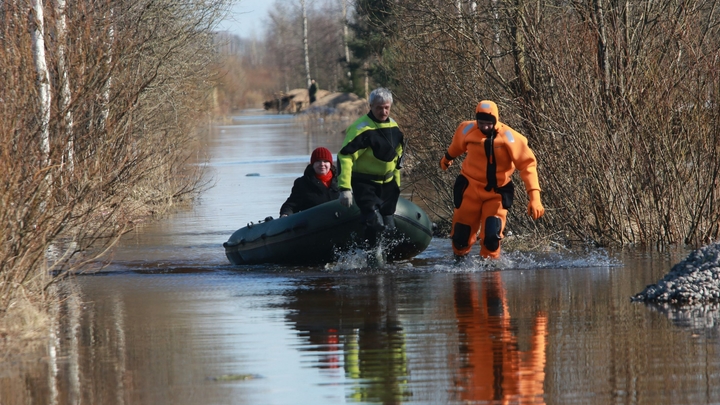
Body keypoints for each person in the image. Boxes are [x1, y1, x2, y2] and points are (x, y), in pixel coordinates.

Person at [439, 100, 545, 260]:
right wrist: (447, 159)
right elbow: (456, 145)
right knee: (461, 235)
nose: (484, 127)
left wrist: (535, 198)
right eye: (481, 123)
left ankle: (491, 269)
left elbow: (528, 166)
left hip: (497, 192)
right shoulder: (468, 129)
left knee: (492, 236)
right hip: (469, 188)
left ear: (495, 121)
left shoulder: (510, 138)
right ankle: (459, 263)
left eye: (488, 124)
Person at [337, 87, 404, 255]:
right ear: (371, 106)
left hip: (388, 184)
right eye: (379, 107)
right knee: (375, 223)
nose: (383, 111)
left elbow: (397, 160)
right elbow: (345, 157)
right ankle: (370, 260)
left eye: (386, 107)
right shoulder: (360, 128)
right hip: (364, 183)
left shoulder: (394, 127)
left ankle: (385, 264)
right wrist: (345, 188)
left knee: (389, 228)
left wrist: (397, 184)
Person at [280, 147, 339, 217]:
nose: (322, 164)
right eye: (318, 161)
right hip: (314, 223)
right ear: (312, 164)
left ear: (330, 164)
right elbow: (290, 205)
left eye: (325, 161)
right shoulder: (302, 183)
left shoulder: (342, 180)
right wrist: (286, 214)